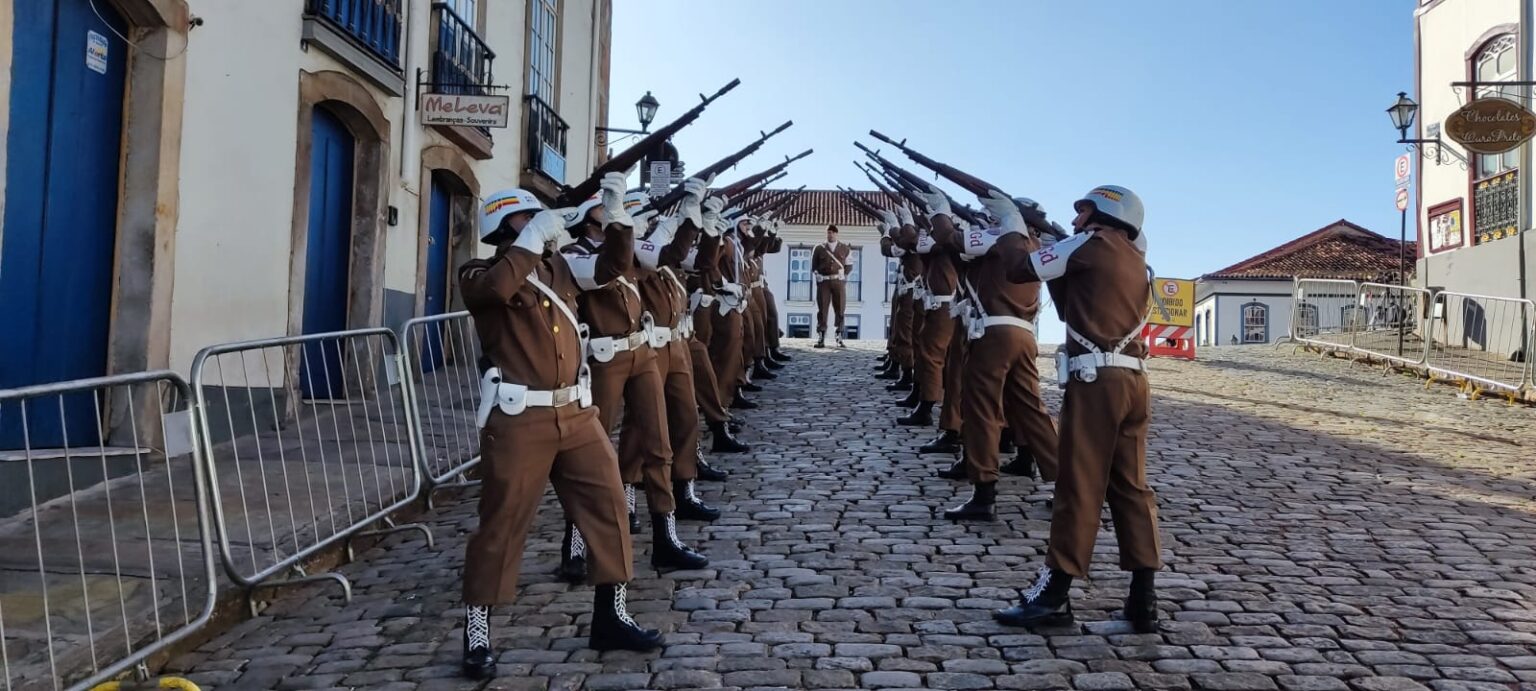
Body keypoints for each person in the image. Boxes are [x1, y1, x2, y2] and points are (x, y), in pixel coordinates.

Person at [457, 188, 664, 679]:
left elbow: (614, 268)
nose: (543, 221)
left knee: (610, 506)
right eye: (530, 215)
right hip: (519, 417)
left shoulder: (562, 269)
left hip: (575, 412)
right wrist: (530, 239)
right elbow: (494, 293)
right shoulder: (479, 272)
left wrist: (617, 221)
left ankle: (611, 615)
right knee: (502, 522)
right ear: (507, 224)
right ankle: (477, 632)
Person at [990, 185, 1161, 634]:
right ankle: (1143, 599)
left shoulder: (1089, 244)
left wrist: (1011, 225)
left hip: (1095, 381)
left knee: (1078, 483)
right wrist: (1054, 251)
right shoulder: (1135, 260)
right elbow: (1073, 306)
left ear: (1104, 213)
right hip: (1132, 379)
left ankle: (1054, 594)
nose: (1074, 220)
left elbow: (1017, 269)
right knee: (1131, 487)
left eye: (1082, 211)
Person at [559, 174, 708, 580]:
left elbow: (664, 255)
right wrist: (621, 224)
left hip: (641, 352)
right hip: (605, 360)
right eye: (605, 207)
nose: (621, 215)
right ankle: (574, 543)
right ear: (587, 216)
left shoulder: (628, 248)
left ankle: (666, 538)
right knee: (590, 453)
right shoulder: (572, 255)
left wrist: (690, 217)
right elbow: (611, 267)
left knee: (658, 445)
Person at [923, 189, 1060, 521]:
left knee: (981, 410)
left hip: (993, 335)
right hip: (1024, 336)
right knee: (1032, 411)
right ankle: (1065, 483)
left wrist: (940, 210)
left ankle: (983, 491)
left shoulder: (1001, 239)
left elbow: (948, 238)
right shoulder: (1035, 247)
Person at [630, 178, 723, 524]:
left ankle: (685, 490)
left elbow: (702, 262)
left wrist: (706, 225)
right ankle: (627, 499)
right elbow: (669, 254)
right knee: (641, 431)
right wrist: (681, 220)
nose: (651, 223)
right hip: (650, 349)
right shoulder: (634, 250)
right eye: (645, 217)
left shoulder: (659, 251)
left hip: (676, 343)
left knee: (685, 419)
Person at [811, 225, 853, 348]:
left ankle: (839, 335)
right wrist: (817, 274)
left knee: (840, 308)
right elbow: (814, 266)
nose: (830, 235)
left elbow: (849, 264)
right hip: (824, 282)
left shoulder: (845, 248)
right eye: (828, 233)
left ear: (836, 234)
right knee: (822, 308)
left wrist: (844, 274)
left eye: (832, 233)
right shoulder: (819, 248)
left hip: (838, 281)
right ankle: (821, 336)